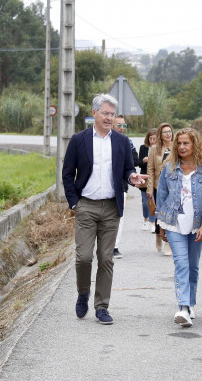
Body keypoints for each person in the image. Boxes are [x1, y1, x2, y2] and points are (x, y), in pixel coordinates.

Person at [62, 94, 149, 325]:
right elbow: (68, 174)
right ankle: (83, 293)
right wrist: (74, 203)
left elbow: (128, 170)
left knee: (106, 258)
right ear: (94, 114)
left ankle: (102, 306)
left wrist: (133, 176)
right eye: (106, 113)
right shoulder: (79, 140)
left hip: (111, 207)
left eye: (113, 114)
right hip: (86, 206)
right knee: (83, 257)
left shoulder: (121, 141)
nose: (110, 118)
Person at [155, 128, 202, 327]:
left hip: (198, 225)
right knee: (181, 263)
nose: (181, 147)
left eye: (186, 143)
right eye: (179, 143)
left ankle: (190, 303)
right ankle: (182, 307)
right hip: (173, 223)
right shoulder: (170, 168)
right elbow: (161, 196)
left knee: (192, 265)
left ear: (195, 144)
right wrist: (161, 225)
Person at [112, 114, 139, 259]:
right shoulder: (102, 141)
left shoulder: (127, 142)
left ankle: (114, 247)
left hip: (121, 185)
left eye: (124, 125)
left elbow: (134, 159)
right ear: (111, 124)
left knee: (119, 217)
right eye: (119, 125)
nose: (121, 128)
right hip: (100, 188)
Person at [146, 122, 174, 256]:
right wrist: (149, 188)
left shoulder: (177, 147)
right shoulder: (154, 149)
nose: (168, 134)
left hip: (173, 186)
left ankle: (168, 242)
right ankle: (159, 234)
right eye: (165, 132)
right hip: (158, 186)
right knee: (159, 214)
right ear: (160, 135)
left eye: (170, 131)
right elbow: (150, 169)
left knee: (170, 215)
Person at [138, 128, 158, 231]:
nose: (152, 141)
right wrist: (144, 160)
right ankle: (145, 220)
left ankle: (153, 222)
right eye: (150, 138)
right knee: (145, 202)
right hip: (145, 179)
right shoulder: (143, 148)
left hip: (156, 179)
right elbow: (138, 163)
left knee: (154, 201)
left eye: (154, 138)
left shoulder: (160, 149)